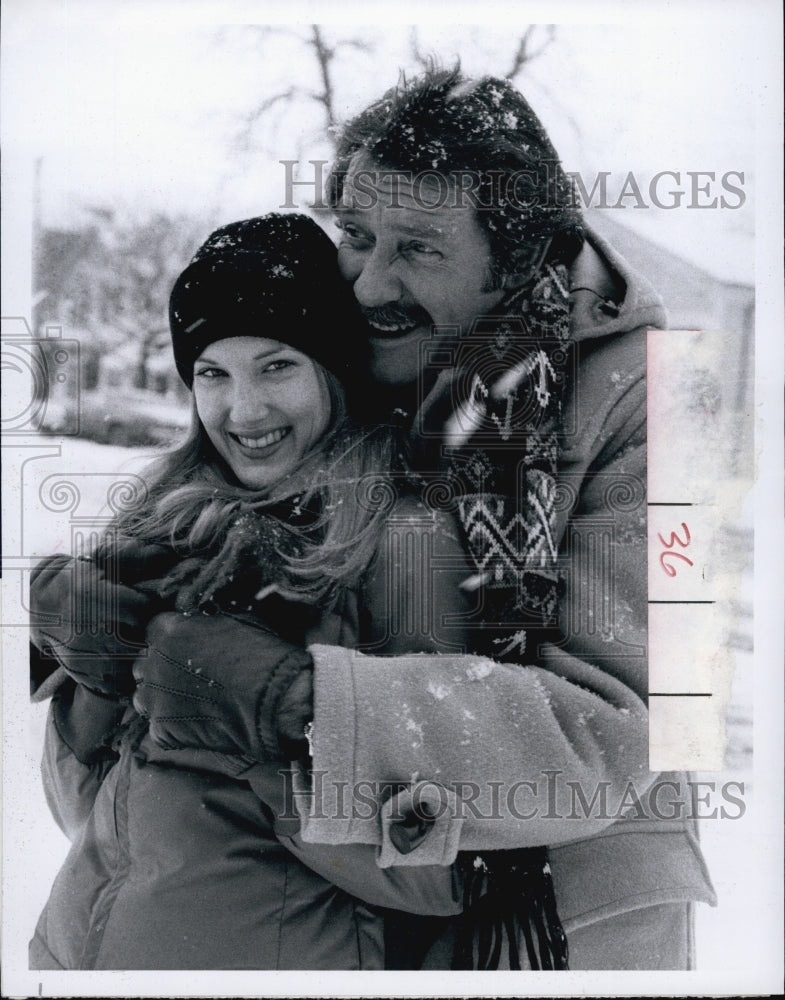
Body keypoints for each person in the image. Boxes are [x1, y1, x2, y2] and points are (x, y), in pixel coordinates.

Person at [127, 68, 718, 970]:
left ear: (514, 257)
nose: (367, 284)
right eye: (357, 237)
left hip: (562, 921)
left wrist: (301, 700)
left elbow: (626, 731)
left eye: (418, 248)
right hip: (335, 892)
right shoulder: (361, 352)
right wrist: (106, 633)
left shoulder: (661, 404)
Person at [27, 212, 468, 970]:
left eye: (276, 367)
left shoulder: (400, 542)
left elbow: (442, 869)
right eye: (212, 373)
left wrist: (275, 736)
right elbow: (87, 812)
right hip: (77, 957)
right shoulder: (162, 519)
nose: (245, 410)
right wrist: (83, 670)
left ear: (333, 368)